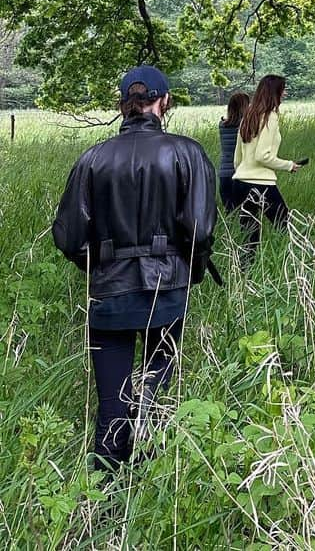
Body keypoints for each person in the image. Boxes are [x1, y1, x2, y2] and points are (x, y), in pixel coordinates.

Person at [52, 65, 217, 469]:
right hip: (168, 293)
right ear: (165, 101)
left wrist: (98, 267)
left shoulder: (93, 158)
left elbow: (69, 236)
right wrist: (187, 274)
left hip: (109, 293)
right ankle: (149, 472)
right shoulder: (188, 153)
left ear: (123, 105)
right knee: (155, 389)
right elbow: (199, 231)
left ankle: (106, 504)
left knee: (111, 403)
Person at [232, 74, 301, 250]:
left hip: (240, 182)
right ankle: (296, 267)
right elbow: (262, 156)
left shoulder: (248, 115)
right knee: (287, 229)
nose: (285, 93)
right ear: (275, 92)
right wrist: (289, 165)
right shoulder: (270, 117)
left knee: (249, 238)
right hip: (261, 184)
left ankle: (244, 275)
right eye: (283, 89)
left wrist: (242, 173)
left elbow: (237, 158)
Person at [218, 90, 249, 211]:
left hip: (225, 174)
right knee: (248, 216)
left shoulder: (222, 125)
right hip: (242, 174)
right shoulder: (247, 126)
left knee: (230, 215)